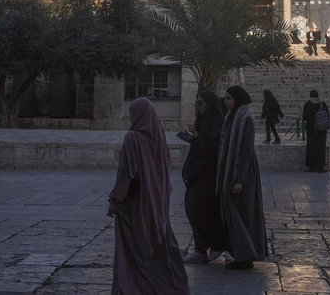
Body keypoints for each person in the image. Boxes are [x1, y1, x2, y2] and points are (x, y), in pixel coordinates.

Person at [107, 98, 190, 294]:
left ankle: (131, 286)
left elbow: (126, 173)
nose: (130, 117)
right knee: (159, 243)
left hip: (134, 205)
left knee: (132, 249)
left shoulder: (132, 138)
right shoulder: (158, 138)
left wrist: (115, 201)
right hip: (157, 204)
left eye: (132, 113)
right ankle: (170, 285)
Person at [217, 86, 268, 270]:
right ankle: (242, 254)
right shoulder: (235, 117)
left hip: (244, 173)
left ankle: (245, 257)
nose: (226, 102)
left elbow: (245, 151)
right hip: (237, 170)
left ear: (237, 99)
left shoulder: (244, 119)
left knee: (242, 214)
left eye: (229, 99)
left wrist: (239, 179)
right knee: (238, 213)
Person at [182, 90, 228, 264]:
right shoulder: (202, 121)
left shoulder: (217, 123)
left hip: (209, 175)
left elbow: (212, 151)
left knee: (197, 207)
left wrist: (197, 135)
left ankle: (215, 244)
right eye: (197, 103)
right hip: (198, 173)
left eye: (201, 103)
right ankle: (201, 248)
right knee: (192, 207)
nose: (198, 106)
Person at [301, 90, 328, 173]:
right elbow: (327, 115)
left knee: (311, 147)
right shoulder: (322, 104)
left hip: (311, 128)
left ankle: (312, 166)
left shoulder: (307, 104)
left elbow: (304, 117)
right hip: (321, 128)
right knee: (321, 147)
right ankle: (320, 167)